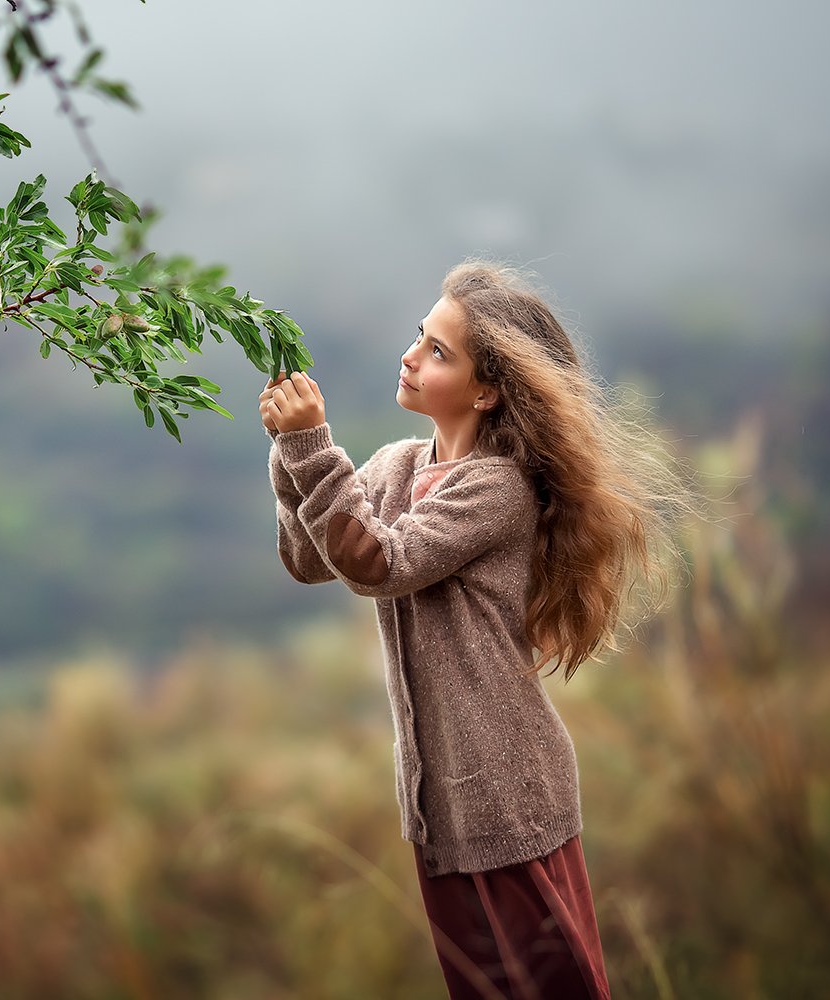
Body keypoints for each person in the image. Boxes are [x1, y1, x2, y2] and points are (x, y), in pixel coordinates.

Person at [260, 260, 693, 1000]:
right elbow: (311, 557)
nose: (410, 354)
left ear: (487, 389)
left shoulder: (498, 489)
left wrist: (313, 447)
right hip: (444, 814)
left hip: (508, 798)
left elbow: (377, 563)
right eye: (418, 336)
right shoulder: (399, 466)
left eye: (437, 351)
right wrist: (289, 452)